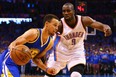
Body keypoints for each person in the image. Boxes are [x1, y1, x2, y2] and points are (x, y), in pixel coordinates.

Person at [45, 3, 112, 77]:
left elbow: (100, 25)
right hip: (60, 53)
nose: (66, 13)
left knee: (76, 75)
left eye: (68, 11)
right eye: (64, 11)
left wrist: (106, 28)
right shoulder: (60, 25)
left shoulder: (84, 20)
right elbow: (47, 35)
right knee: (48, 75)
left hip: (76, 52)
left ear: (73, 11)